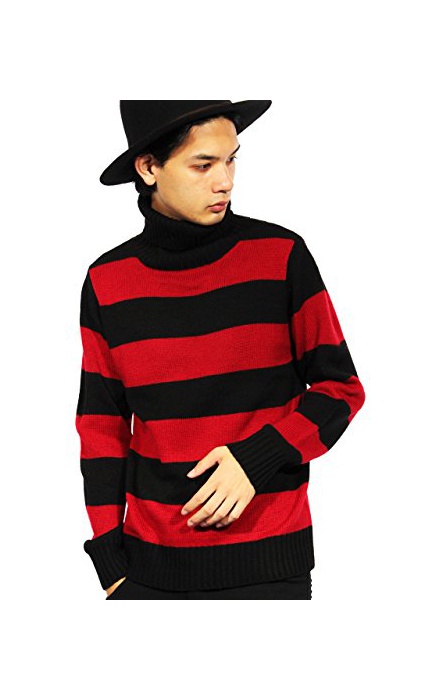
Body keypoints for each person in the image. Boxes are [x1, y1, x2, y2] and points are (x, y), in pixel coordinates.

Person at [75, 100, 365, 600]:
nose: (225, 181)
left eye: (231, 160)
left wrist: (257, 458)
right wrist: (109, 558)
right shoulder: (107, 281)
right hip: (147, 572)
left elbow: (341, 390)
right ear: (149, 168)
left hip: (269, 567)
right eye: (203, 165)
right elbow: (102, 425)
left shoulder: (281, 257)